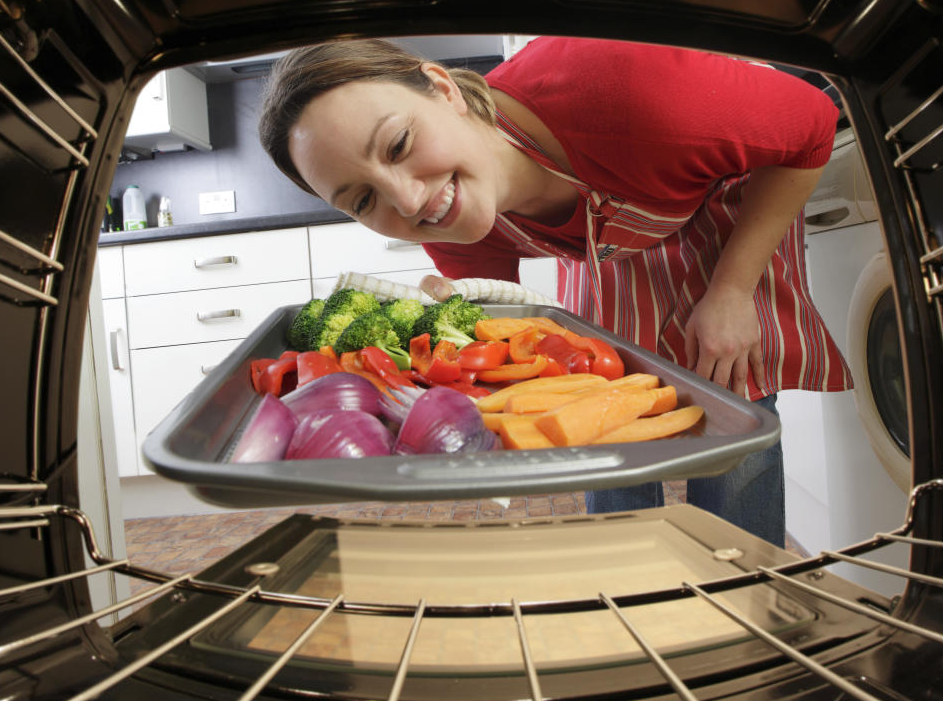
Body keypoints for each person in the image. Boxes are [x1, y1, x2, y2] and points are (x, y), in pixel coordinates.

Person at [258, 36, 853, 547]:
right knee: (595, 395)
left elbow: (810, 127)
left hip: (721, 210)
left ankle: (744, 593)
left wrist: (732, 289)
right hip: (608, 239)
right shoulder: (453, 218)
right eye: (362, 199)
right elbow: (494, 352)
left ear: (443, 89)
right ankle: (628, 592)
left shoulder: (632, 94)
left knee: (729, 393)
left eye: (398, 146)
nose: (408, 201)